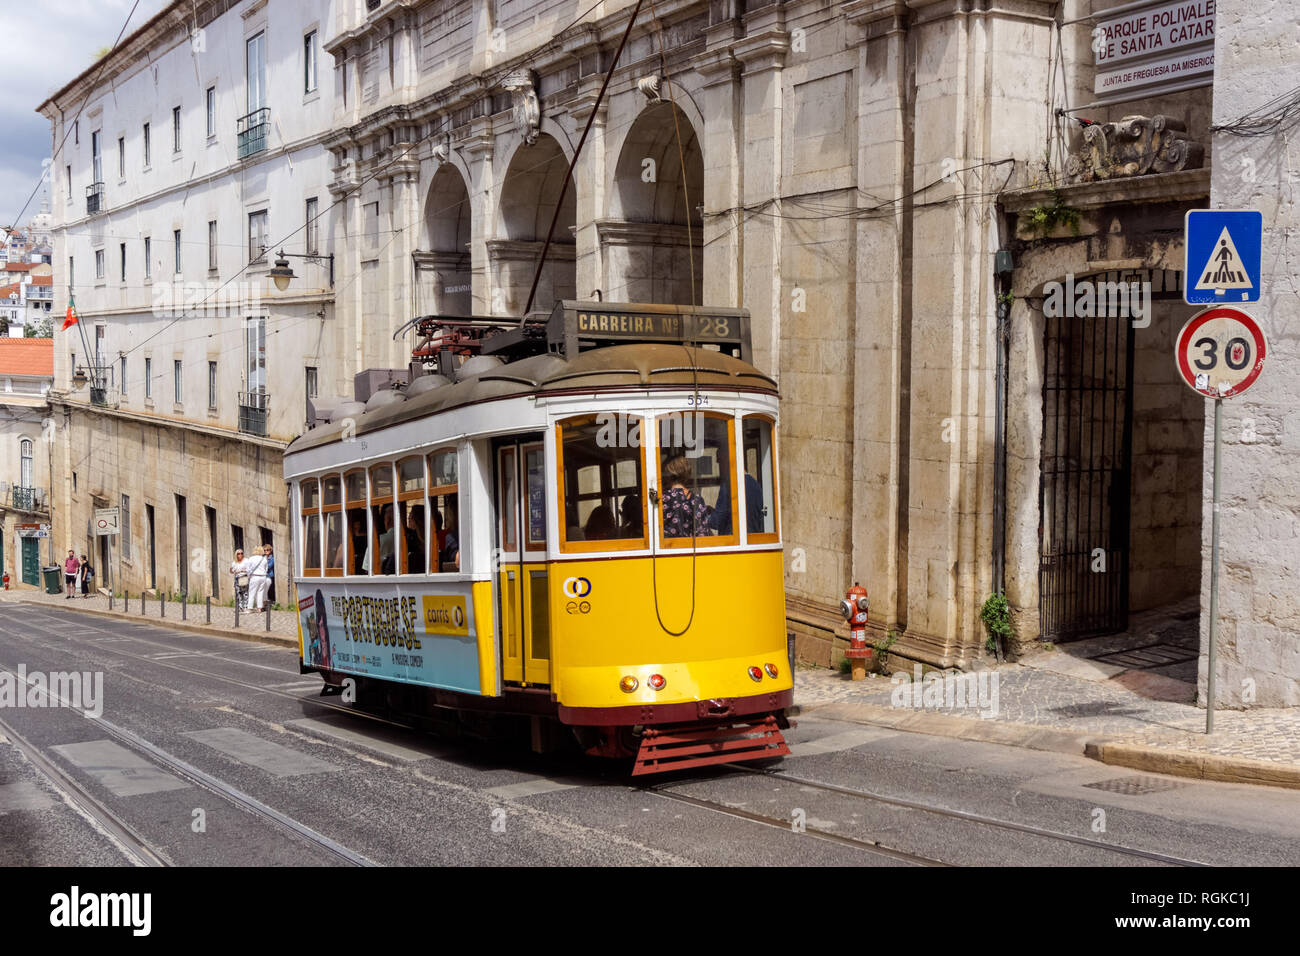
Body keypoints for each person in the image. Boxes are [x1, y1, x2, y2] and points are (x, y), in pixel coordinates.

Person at [660, 455, 715, 538]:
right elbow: (702, 532)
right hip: (689, 548)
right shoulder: (696, 499)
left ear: (668, 474)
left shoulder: (662, 498)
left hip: (667, 549)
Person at [246, 546, 271, 612]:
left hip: (255, 576)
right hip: (263, 576)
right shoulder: (264, 559)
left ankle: (249, 608)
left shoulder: (251, 558)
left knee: (252, 592)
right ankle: (259, 608)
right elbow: (266, 569)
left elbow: (248, 569)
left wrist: (249, 576)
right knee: (260, 592)